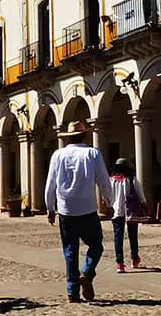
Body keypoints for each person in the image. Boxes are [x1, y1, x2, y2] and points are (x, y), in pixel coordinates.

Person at [45, 120, 113, 303]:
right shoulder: (92, 153)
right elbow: (104, 181)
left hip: (66, 211)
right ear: (84, 136)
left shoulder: (57, 155)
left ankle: (72, 292)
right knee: (96, 245)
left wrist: (50, 208)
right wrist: (109, 201)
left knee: (70, 251)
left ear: (68, 138)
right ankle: (87, 272)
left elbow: (50, 185)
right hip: (88, 210)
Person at [109, 158, 147, 273]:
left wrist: (110, 205)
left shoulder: (111, 180)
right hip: (131, 212)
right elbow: (140, 194)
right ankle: (134, 259)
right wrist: (145, 205)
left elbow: (106, 195)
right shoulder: (132, 179)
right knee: (133, 236)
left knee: (118, 237)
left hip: (117, 211)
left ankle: (119, 263)